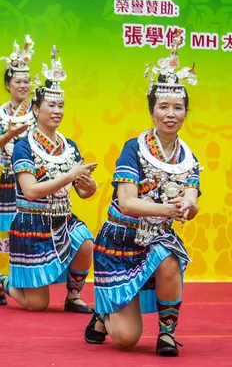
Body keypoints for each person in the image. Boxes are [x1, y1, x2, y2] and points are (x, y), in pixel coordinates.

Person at [84, 30, 201, 357]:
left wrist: (187, 206)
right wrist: (169, 211)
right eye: (163, 106)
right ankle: (104, 314)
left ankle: (167, 332)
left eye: (178, 107)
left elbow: (192, 197)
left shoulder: (188, 157)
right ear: (152, 111)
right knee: (126, 339)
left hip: (156, 239)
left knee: (169, 257)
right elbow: (127, 202)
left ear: (185, 113)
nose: (170, 113)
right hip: (120, 241)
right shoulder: (133, 149)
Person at [0, 46, 98, 313]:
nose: (57, 110)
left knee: (85, 242)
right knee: (37, 305)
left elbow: (81, 193)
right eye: (51, 105)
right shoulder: (24, 146)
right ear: (36, 110)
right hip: (32, 225)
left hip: (63, 218)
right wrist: (70, 175)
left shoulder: (69, 145)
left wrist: (89, 187)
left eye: (61, 105)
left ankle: (73, 296)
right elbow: (31, 191)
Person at [0, 35, 38, 243]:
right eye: (18, 81)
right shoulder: (0, 113)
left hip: (35, 173)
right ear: (8, 85)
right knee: (14, 230)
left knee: (35, 224)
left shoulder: (37, 110)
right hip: (11, 174)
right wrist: (10, 134)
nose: (23, 85)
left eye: (26, 81)